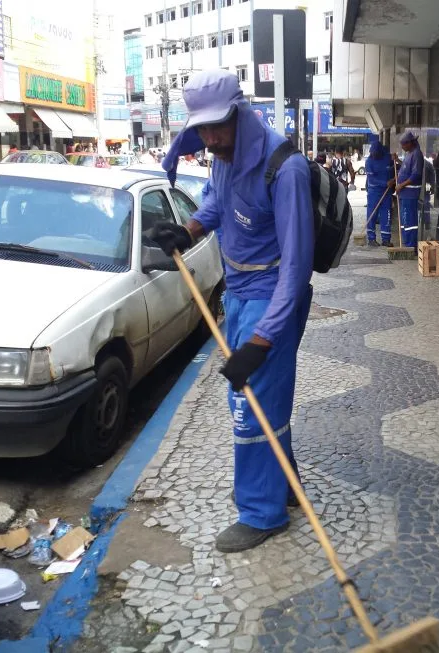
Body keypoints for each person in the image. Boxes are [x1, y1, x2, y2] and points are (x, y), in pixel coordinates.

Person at [152, 69, 314, 553]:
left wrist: (262, 341)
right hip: (239, 290)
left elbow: (296, 270)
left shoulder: (285, 168)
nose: (210, 138)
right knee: (260, 402)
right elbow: (217, 205)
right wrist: (189, 232)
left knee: (252, 406)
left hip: (273, 297)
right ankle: (282, 486)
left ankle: (262, 514)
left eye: (217, 126)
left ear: (239, 110)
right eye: (201, 129)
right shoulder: (220, 156)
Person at [395, 131, 424, 249]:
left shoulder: (417, 154)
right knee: (404, 219)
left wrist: (401, 185)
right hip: (404, 193)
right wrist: (397, 160)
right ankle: (406, 242)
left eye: (403, 144)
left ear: (410, 143)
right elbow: (406, 168)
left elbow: (415, 174)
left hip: (410, 193)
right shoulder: (409, 153)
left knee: (409, 219)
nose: (402, 147)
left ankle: (411, 245)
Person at [364, 141, 394, 247]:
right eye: (372, 153)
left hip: (387, 192)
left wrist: (395, 163)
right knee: (372, 214)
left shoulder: (387, 158)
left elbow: (394, 168)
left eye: (376, 153)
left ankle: (386, 239)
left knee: (386, 214)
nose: (374, 155)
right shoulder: (368, 162)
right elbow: (372, 180)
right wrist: (385, 183)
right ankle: (371, 238)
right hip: (374, 192)